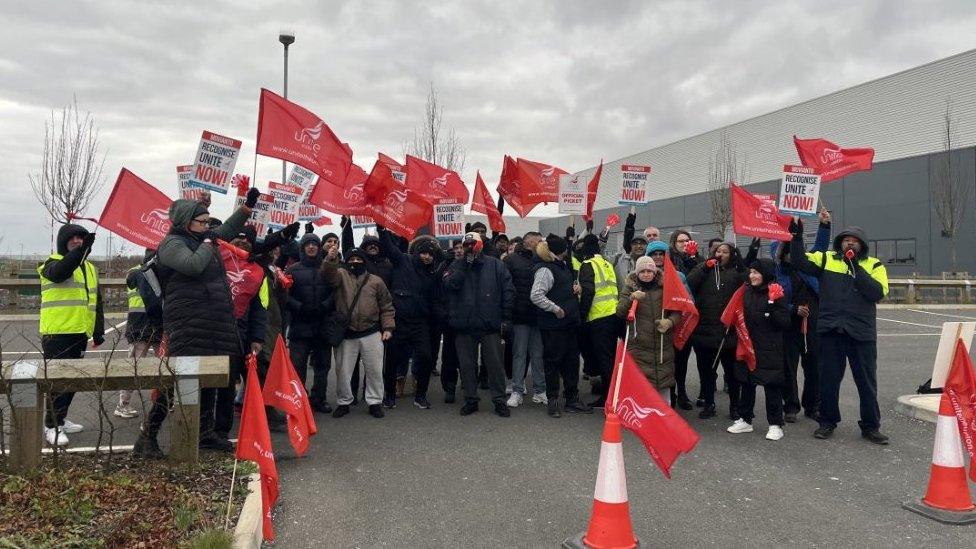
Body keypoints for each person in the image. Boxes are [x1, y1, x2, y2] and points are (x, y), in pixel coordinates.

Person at [133, 190, 257, 459]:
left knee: (212, 376)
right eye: (201, 222)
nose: (207, 226)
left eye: (206, 222)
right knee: (175, 380)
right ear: (186, 222)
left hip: (213, 321)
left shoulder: (202, 239)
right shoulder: (173, 244)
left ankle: (206, 433)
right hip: (188, 323)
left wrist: (245, 209)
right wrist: (209, 241)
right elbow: (192, 266)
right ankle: (147, 436)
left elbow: (223, 230)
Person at [789, 220, 890, 444]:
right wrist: (797, 237)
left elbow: (876, 293)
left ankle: (871, 426)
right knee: (828, 380)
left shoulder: (875, 265)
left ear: (862, 245)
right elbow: (798, 261)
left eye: (854, 241)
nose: (849, 243)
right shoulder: (826, 259)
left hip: (861, 333)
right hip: (830, 330)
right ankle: (827, 422)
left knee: (866, 382)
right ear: (839, 243)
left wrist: (855, 267)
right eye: (846, 240)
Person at [38, 222, 104, 446]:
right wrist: (80, 251)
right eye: (73, 238)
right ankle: (51, 426)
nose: (77, 241)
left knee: (73, 381)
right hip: (56, 333)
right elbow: (60, 273)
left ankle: (60, 419)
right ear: (62, 241)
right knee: (58, 382)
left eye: (81, 238)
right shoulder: (51, 263)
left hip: (79, 332)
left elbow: (96, 301)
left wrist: (97, 331)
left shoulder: (91, 269)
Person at [769, 207, 832, 422]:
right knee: (789, 367)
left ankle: (812, 405)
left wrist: (824, 225)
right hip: (789, 325)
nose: (788, 254)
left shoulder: (807, 266)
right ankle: (791, 406)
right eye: (784, 249)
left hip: (813, 324)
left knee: (814, 366)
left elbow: (821, 248)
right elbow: (772, 303)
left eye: (791, 249)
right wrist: (792, 309)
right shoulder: (775, 274)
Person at [444, 232, 515, 417]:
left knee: (495, 365)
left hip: (490, 324)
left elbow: (508, 291)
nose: (469, 247)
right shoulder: (455, 265)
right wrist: (464, 265)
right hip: (465, 325)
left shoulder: (496, 265)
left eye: (472, 243)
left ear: (480, 245)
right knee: (467, 366)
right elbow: (450, 284)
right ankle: (471, 399)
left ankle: (499, 400)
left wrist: (506, 319)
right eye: (465, 244)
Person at [215, 226, 275, 440]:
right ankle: (203, 429)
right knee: (208, 383)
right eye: (238, 239)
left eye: (247, 241)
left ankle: (221, 431)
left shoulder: (257, 271)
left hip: (239, 333)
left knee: (228, 383)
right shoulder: (216, 259)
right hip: (211, 329)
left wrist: (257, 338)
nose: (242, 243)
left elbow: (260, 307)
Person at [323, 245, 395, 419]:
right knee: (343, 371)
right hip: (347, 333)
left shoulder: (376, 281)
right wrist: (330, 259)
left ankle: (375, 402)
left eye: (359, 259)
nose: (355, 262)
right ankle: (344, 401)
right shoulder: (340, 274)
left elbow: (386, 305)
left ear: (364, 261)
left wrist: (388, 327)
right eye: (351, 260)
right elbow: (328, 275)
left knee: (375, 371)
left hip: (371, 332)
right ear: (346, 262)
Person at [727, 259, 791, 441]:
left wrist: (771, 304)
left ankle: (775, 424)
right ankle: (745, 419)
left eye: (756, 272)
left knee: (772, 387)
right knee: (746, 384)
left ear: (766, 274)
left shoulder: (776, 292)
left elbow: (784, 322)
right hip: (748, 346)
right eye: (751, 272)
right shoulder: (745, 292)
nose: (752, 276)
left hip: (769, 348)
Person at [378, 227, 442, 409]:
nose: (426, 257)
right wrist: (382, 230)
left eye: (430, 254)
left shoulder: (433, 273)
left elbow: (435, 298)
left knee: (426, 358)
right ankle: (389, 396)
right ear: (416, 253)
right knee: (392, 361)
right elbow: (389, 248)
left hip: (420, 324)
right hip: (398, 322)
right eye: (423, 253)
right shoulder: (402, 261)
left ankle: (420, 396)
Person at [686, 241, 750, 419]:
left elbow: (748, 286)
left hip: (728, 332)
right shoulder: (704, 268)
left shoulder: (737, 271)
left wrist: (743, 264)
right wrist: (704, 268)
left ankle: (735, 406)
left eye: (725, 251)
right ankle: (709, 403)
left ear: (732, 254)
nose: (720, 254)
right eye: (718, 251)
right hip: (704, 330)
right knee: (707, 371)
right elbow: (690, 282)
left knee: (732, 373)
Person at [530, 234, 592, 417]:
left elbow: (562, 288)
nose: (567, 250)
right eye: (565, 247)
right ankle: (553, 400)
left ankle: (572, 399)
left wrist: (576, 289)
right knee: (553, 363)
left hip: (569, 324)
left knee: (571, 362)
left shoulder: (562, 266)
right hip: (554, 326)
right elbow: (536, 295)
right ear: (560, 250)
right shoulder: (545, 270)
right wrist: (555, 309)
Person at [617, 256, 680, 401]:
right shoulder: (629, 288)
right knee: (641, 387)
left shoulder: (666, 287)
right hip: (639, 347)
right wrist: (631, 299)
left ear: (655, 272)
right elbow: (620, 312)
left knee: (664, 384)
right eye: (642, 271)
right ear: (637, 273)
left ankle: (664, 417)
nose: (646, 274)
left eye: (649, 271)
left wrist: (670, 322)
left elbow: (677, 312)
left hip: (662, 345)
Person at [286, 229, 334, 413]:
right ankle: (299, 399)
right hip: (300, 325)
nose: (312, 247)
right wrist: (299, 307)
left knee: (323, 365)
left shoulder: (327, 267)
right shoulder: (293, 269)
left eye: (315, 244)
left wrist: (325, 306)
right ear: (303, 248)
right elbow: (285, 296)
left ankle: (319, 399)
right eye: (308, 244)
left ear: (319, 247)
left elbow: (335, 291)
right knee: (297, 367)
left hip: (322, 324)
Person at [645, 240, 694, 409]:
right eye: (654, 254)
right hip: (654, 329)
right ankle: (663, 399)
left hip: (674, 326)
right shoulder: (644, 274)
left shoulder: (678, 276)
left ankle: (680, 394)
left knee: (677, 365)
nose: (658, 257)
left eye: (661, 254)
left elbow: (687, 301)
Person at [117, 250, 163, 419]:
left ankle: (163, 400)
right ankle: (123, 404)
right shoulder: (141, 272)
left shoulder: (137, 271)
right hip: (144, 325)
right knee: (136, 367)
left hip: (145, 325)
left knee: (159, 366)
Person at [504, 231, 547, 407]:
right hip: (520, 315)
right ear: (529, 241)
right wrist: (507, 313)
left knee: (538, 355)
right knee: (519, 354)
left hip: (538, 315)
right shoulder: (511, 260)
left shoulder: (543, 259)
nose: (541, 244)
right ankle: (517, 391)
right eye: (539, 241)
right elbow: (505, 287)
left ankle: (540, 391)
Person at [577, 233, 618, 408]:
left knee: (604, 360)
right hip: (613, 315)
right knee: (610, 357)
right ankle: (611, 393)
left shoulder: (588, 265)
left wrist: (581, 316)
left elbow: (588, 292)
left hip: (598, 317)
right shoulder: (607, 263)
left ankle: (608, 397)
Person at [612, 206, 649, 294]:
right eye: (635, 243)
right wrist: (630, 224)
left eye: (642, 243)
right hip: (624, 303)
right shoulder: (619, 260)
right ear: (630, 246)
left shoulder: (651, 262)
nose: (639, 246)